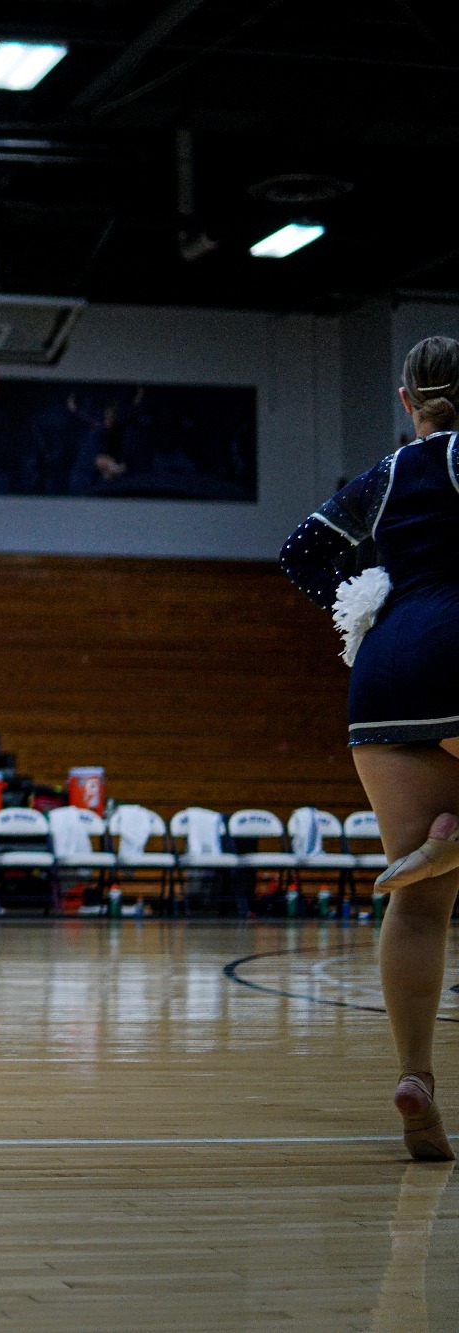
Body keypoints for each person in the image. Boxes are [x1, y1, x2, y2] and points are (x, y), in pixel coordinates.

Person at [279, 334, 459, 1162]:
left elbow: (301, 553)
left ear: (404, 400)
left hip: (385, 672)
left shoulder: (382, 477)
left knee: (419, 904)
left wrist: (367, 600)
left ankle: (416, 1077)